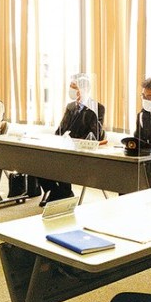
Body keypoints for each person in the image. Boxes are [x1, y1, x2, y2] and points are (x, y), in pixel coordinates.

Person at [38, 76, 105, 205]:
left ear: (85, 89)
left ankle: (61, 193)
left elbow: (94, 134)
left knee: (61, 160)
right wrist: (55, 140)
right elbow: (60, 129)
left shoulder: (97, 107)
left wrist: (73, 142)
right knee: (36, 160)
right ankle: (57, 191)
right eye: (71, 87)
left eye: (74, 87)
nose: (72, 90)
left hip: (81, 151)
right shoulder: (70, 106)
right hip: (64, 147)